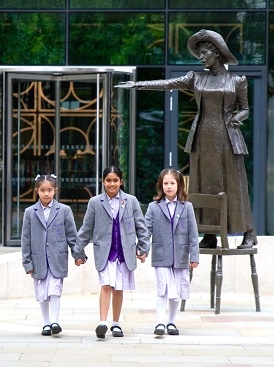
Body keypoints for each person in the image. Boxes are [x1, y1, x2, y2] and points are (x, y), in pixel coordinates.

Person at [116, 29, 257, 250]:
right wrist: (138, 85)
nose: (200, 57)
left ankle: (249, 232)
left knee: (233, 184)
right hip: (202, 137)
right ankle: (209, 233)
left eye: (204, 53)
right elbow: (168, 83)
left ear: (217, 53)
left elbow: (245, 109)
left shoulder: (236, 80)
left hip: (228, 138)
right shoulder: (196, 77)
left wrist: (238, 117)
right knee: (204, 185)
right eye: (199, 53)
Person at [74, 165, 151, 339]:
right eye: (108, 180)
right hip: (105, 252)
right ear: (103, 182)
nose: (112, 184)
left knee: (119, 288)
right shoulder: (95, 203)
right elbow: (86, 229)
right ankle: (102, 322)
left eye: (115, 180)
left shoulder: (131, 201)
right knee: (106, 285)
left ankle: (116, 323)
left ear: (121, 182)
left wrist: (143, 248)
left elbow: (141, 227)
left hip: (125, 252)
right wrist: (78, 252)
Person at [21, 174, 78, 336]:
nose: (46, 194)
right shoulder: (30, 212)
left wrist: (77, 254)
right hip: (38, 259)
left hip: (57, 258)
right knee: (42, 293)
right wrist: (27, 262)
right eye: (43, 190)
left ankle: (55, 321)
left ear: (55, 191)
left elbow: (72, 236)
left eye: (50, 190)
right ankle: (46, 323)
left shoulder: (64, 210)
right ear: (36, 191)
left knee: (55, 290)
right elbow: (25, 239)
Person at [145, 168, 199, 336]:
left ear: (179, 185)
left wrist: (194, 255)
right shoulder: (153, 207)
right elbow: (146, 231)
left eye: (172, 183)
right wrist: (142, 250)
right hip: (161, 255)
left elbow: (193, 233)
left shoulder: (187, 207)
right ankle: (160, 322)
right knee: (163, 288)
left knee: (177, 291)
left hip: (181, 256)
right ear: (161, 185)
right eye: (165, 183)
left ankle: (171, 322)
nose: (169, 186)